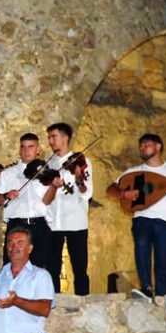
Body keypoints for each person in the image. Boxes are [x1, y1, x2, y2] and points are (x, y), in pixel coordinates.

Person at [105, 134, 166, 298]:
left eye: (146, 144)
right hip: (142, 218)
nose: (142, 148)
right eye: (141, 145)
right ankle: (146, 289)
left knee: (164, 263)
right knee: (141, 244)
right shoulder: (134, 172)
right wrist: (124, 194)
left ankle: (163, 297)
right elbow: (110, 189)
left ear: (158, 146)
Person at [0, 133, 51, 270]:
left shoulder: (47, 172)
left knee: (42, 268)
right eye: (23, 147)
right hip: (17, 225)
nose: (26, 151)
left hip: (40, 225)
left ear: (38, 150)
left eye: (30, 147)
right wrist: (6, 195)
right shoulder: (8, 173)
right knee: (13, 267)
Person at [43, 123, 92, 295]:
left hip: (75, 221)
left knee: (79, 266)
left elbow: (87, 192)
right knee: (52, 267)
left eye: (53, 137)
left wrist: (79, 180)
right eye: (49, 138)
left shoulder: (81, 161)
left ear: (65, 138)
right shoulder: (49, 163)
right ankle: (53, 300)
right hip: (53, 222)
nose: (50, 141)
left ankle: (83, 300)